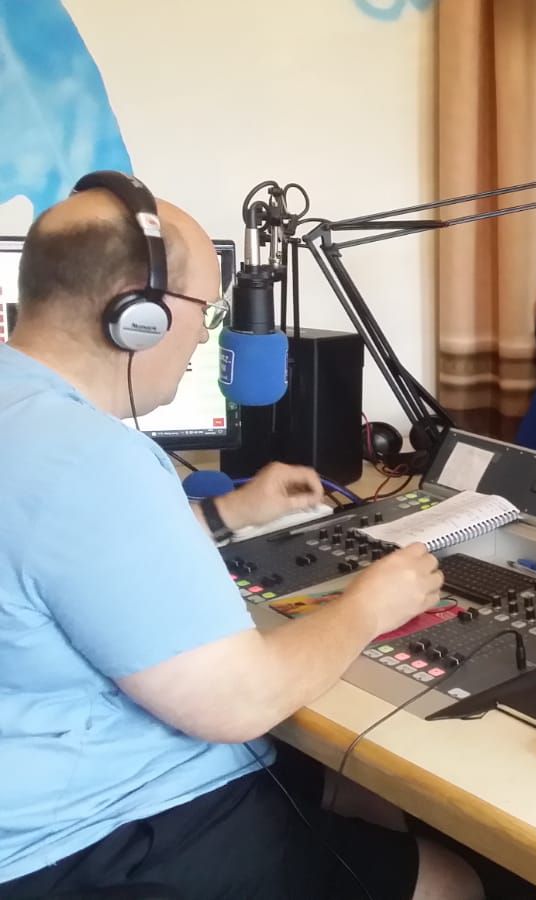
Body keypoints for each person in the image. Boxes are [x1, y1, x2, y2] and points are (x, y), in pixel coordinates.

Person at [0, 175, 482, 898]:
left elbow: (68, 569)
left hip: (55, 795)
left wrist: (229, 515)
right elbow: (240, 701)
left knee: (361, 793)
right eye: (205, 309)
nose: (206, 334)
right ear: (140, 313)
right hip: (97, 839)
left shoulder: (26, 414)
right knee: (453, 881)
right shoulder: (89, 458)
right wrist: (367, 607)